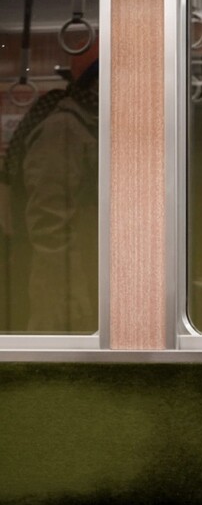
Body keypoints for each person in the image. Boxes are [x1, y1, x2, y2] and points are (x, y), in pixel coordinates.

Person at [0, 38, 99, 332]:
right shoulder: (65, 128)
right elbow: (49, 224)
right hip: (63, 285)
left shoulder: (85, 123)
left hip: (80, 274)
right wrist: (69, 295)